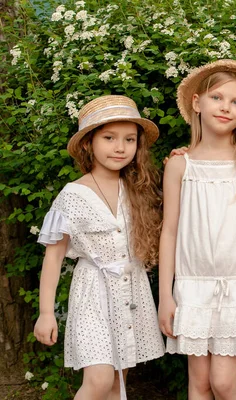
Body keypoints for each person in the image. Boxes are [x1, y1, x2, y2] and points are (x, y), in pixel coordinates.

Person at [33, 95, 165, 400]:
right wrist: (45, 313)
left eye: (129, 139)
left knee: (119, 381)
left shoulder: (138, 189)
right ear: (88, 143)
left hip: (132, 291)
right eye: (109, 138)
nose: (120, 147)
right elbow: (53, 258)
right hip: (93, 294)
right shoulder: (72, 195)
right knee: (100, 380)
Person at [158, 60, 236, 400]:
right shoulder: (179, 164)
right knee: (199, 384)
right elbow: (169, 233)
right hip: (192, 288)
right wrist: (167, 295)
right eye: (217, 97)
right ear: (197, 103)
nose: (226, 107)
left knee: (224, 382)